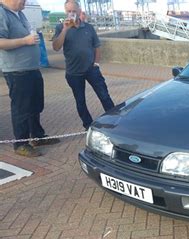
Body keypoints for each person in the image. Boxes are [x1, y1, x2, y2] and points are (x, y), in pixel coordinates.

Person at [0, 0, 60, 157]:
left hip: (31, 68)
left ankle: (37, 136)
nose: (25, 2)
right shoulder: (2, 13)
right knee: (21, 108)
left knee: (35, 104)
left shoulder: (19, 14)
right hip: (17, 71)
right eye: (22, 0)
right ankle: (21, 143)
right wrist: (25, 41)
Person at [52, 0, 114, 130]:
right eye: (69, 11)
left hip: (92, 70)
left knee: (104, 95)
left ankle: (114, 120)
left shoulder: (88, 27)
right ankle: (88, 125)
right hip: (74, 73)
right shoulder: (60, 28)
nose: (72, 14)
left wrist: (96, 63)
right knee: (80, 101)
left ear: (79, 12)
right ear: (65, 12)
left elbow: (97, 46)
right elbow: (56, 47)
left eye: (74, 11)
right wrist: (65, 29)